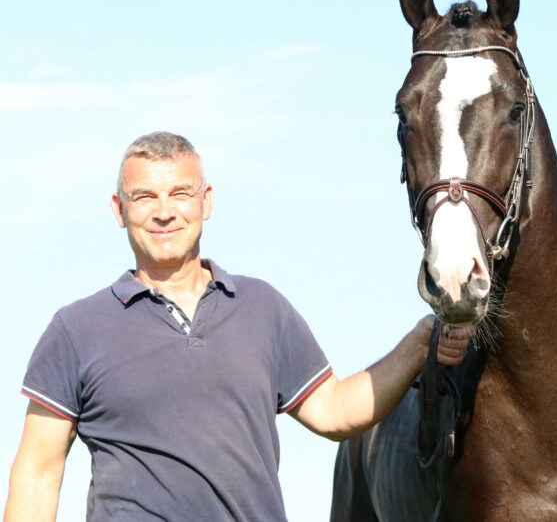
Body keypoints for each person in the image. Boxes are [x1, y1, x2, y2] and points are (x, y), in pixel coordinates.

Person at [4, 132, 471, 521]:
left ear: (205, 202)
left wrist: (417, 345)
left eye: (180, 194)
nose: (164, 211)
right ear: (118, 209)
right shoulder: (75, 329)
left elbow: (333, 411)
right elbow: (38, 470)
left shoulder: (262, 308)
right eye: (144, 196)